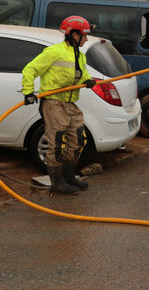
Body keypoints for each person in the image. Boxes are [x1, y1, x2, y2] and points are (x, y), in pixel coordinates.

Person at [21, 16, 96, 194]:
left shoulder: (80, 55)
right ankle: (57, 183)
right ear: (74, 34)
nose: (86, 39)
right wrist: (28, 92)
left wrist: (88, 80)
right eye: (84, 35)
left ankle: (70, 177)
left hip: (70, 103)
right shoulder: (53, 52)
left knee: (79, 139)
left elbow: (82, 73)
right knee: (58, 142)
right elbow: (30, 69)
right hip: (54, 103)